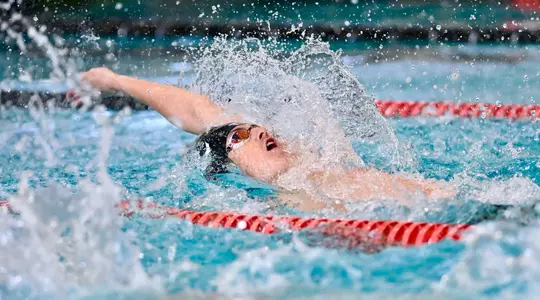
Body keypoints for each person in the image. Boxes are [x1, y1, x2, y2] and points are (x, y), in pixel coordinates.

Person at [68, 68, 455, 211]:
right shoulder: (275, 207)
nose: (259, 131)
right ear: (227, 168)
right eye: (240, 136)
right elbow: (200, 117)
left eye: (256, 127)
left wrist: (115, 80)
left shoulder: (314, 163)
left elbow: (197, 108)